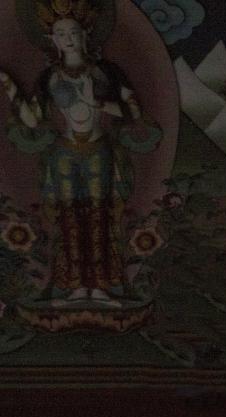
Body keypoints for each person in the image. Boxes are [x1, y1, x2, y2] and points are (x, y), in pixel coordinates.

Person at [0, 0, 161, 309]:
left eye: (74, 31)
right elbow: (32, 120)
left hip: (99, 150)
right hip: (64, 153)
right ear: (53, 40)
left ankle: (101, 287)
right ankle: (73, 287)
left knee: (99, 217)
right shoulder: (48, 78)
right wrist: (8, 83)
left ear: (86, 34)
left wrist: (97, 102)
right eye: (61, 33)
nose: (69, 38)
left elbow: (132, 112)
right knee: (70, 218)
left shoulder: (106, 72)